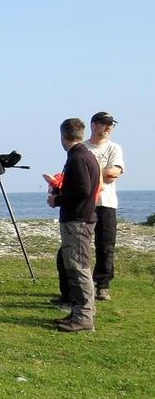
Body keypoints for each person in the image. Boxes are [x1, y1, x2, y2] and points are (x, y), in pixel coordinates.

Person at [46, 118, 101, 333]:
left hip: (78, 220)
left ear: (63, 136)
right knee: (75, 266)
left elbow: (82, 190)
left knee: (78, 267)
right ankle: (78, 311)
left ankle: (85, 316)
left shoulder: (77, 157)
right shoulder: (86, 155)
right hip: (82, 217)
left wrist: (57, 199)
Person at [83, 112, 125, 301]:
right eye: (105, 124)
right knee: (80, 244)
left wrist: (90, 173)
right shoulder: (82, 148)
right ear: (94, 125)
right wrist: (101, 174)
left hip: (106, 203)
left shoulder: (114, 148)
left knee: (106, 245)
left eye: (111, 125)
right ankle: (80, 283)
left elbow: (114, 173)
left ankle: (102, 285)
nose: (109, 128)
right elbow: (74, 174)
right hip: (85, 203)